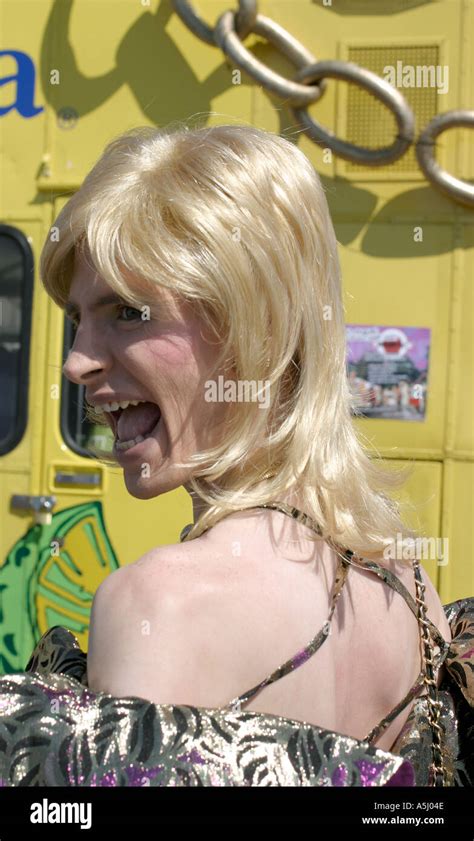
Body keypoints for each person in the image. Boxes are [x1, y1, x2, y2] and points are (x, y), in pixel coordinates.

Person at [0, 123, 472, 787]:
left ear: (257, 328)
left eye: (127, 312)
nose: (77, 361)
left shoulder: (162, 604)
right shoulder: (407, 583)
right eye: (78, 319)